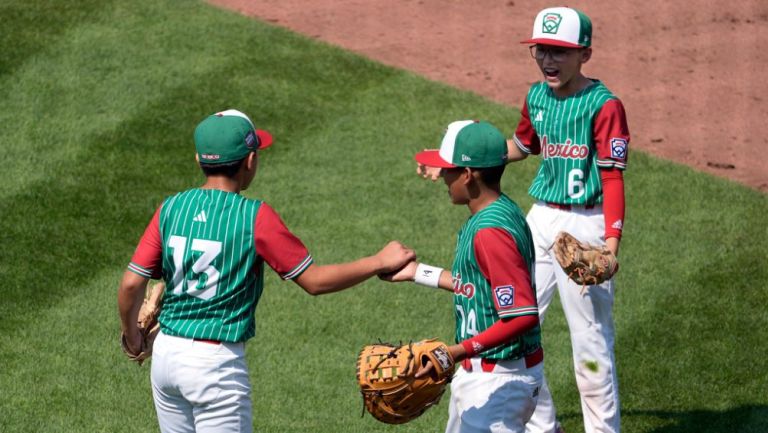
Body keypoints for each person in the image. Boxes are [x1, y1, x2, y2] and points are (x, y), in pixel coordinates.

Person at [117, 109, 416, 433]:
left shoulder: (171, 208)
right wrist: (378, 261)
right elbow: (313, 281)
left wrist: (133, 338)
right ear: (249, 162)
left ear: (198, 159)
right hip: (214, 367)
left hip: (166, 357)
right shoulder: (254, 217)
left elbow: (132, 284)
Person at [418, 8, 630, 433]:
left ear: (584, 54)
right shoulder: (536, 97)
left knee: (590, 344)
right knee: (512, 321)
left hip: (587, 225)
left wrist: (611, 243)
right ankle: (541, 425)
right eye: (541, 50)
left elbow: (611, 176)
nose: (548, 60)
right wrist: (454, 164)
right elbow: (519, 147)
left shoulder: (605, 106)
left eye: (560, 52)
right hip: (541, 218)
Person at [385, 120, 544, 433]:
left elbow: (522, 315)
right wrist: (419, 272)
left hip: (499, 379)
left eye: (449, 170)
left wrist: (455, 352)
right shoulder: (498, 211)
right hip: (489, 374)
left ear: (468, 175)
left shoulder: (490, 232)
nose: (442, 176)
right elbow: (478, 287)